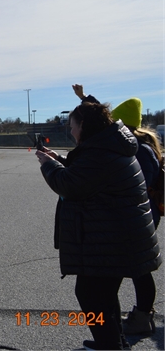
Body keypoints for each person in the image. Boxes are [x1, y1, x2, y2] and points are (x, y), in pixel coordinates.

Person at [35, 102, 161, 350]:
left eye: (73, 127)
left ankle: (109, 345)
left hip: (110, 238)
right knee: (102, 294)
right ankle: (115, 342)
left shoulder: (100, 152)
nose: (71, 132)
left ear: (84, 125)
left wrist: (47, 165)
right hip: (116, 235)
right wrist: (58, 158)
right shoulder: (110, 145)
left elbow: (69, 184)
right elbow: (86, 174)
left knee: (91, 294)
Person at [74, 86, 162, 335]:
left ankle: (141, 318)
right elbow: (109, 119)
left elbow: (134, 188)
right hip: (137, 216)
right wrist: (85, 99)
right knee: (136, 269)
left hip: (137, 218)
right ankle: (129, 322)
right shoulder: (135, 144)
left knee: (138, 270)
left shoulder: (139, 150)